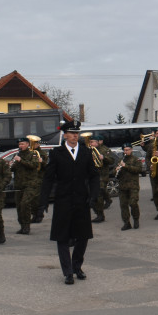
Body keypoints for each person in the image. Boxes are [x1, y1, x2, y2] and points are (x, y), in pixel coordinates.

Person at [39, 121, 100, 285]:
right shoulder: (57, 153)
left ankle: (77, 266)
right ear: (65, 135)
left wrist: (93, 195)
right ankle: (67, 272)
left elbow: (94, 175)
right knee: (62, 237)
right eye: (72, 133)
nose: (75, 136)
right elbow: (48, 178)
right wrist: (43, 200)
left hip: (81, 200)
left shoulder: (86, 152)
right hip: (63, 201)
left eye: (77, 133)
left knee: (83, 236)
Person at [10, 137, 42, 235]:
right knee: (19, 206)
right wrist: (12, 164)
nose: (21, 146)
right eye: (19, 144)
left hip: (30, 184)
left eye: (23, 144)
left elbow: (33, 165)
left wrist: (21, 161)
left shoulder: (32, 154)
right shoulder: (17, 155)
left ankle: (27, 226)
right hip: (19, 185)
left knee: (25, 204)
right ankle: (22, 226)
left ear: (28, 144)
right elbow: (13, 169)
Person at [115, 142, 142, 230]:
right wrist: (116, 170)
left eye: (127, 150)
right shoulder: (121, 160)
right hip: (122, 186)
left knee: (133, 203)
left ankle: (136, 219)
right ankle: (126, 223)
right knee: (123, 205)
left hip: (133, 186)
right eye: (124, 150)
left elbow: (138, 170)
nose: (125, 152)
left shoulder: (136, 159)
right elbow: (115, 174)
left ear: (131, 150)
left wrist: (126, 166)